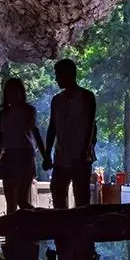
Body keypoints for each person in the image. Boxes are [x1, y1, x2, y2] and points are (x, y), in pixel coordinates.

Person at [43, 59, 97, 209]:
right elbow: (52, 128)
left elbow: (90, 127)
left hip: (81, 156)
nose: (56, 79)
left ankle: (81, 224)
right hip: (61, 156)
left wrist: (84, 151)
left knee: (81, 199)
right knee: (58, 195)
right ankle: (63, 224)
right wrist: (47, 154)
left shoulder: (87, 97)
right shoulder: (56, 100)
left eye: (58, 75)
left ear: (69, 74)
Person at [0, 78, 48, 210]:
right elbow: (1, 140)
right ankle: (17, 224)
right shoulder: (4, 114)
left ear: (21, 93)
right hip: (9, 156)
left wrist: (45, 156)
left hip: (24, 155)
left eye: (14, 91)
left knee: (22, 202)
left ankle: (37, 220)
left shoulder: (29, 111)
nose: (11, 95)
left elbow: (36, 134)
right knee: (11, 203)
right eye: (9, 92)